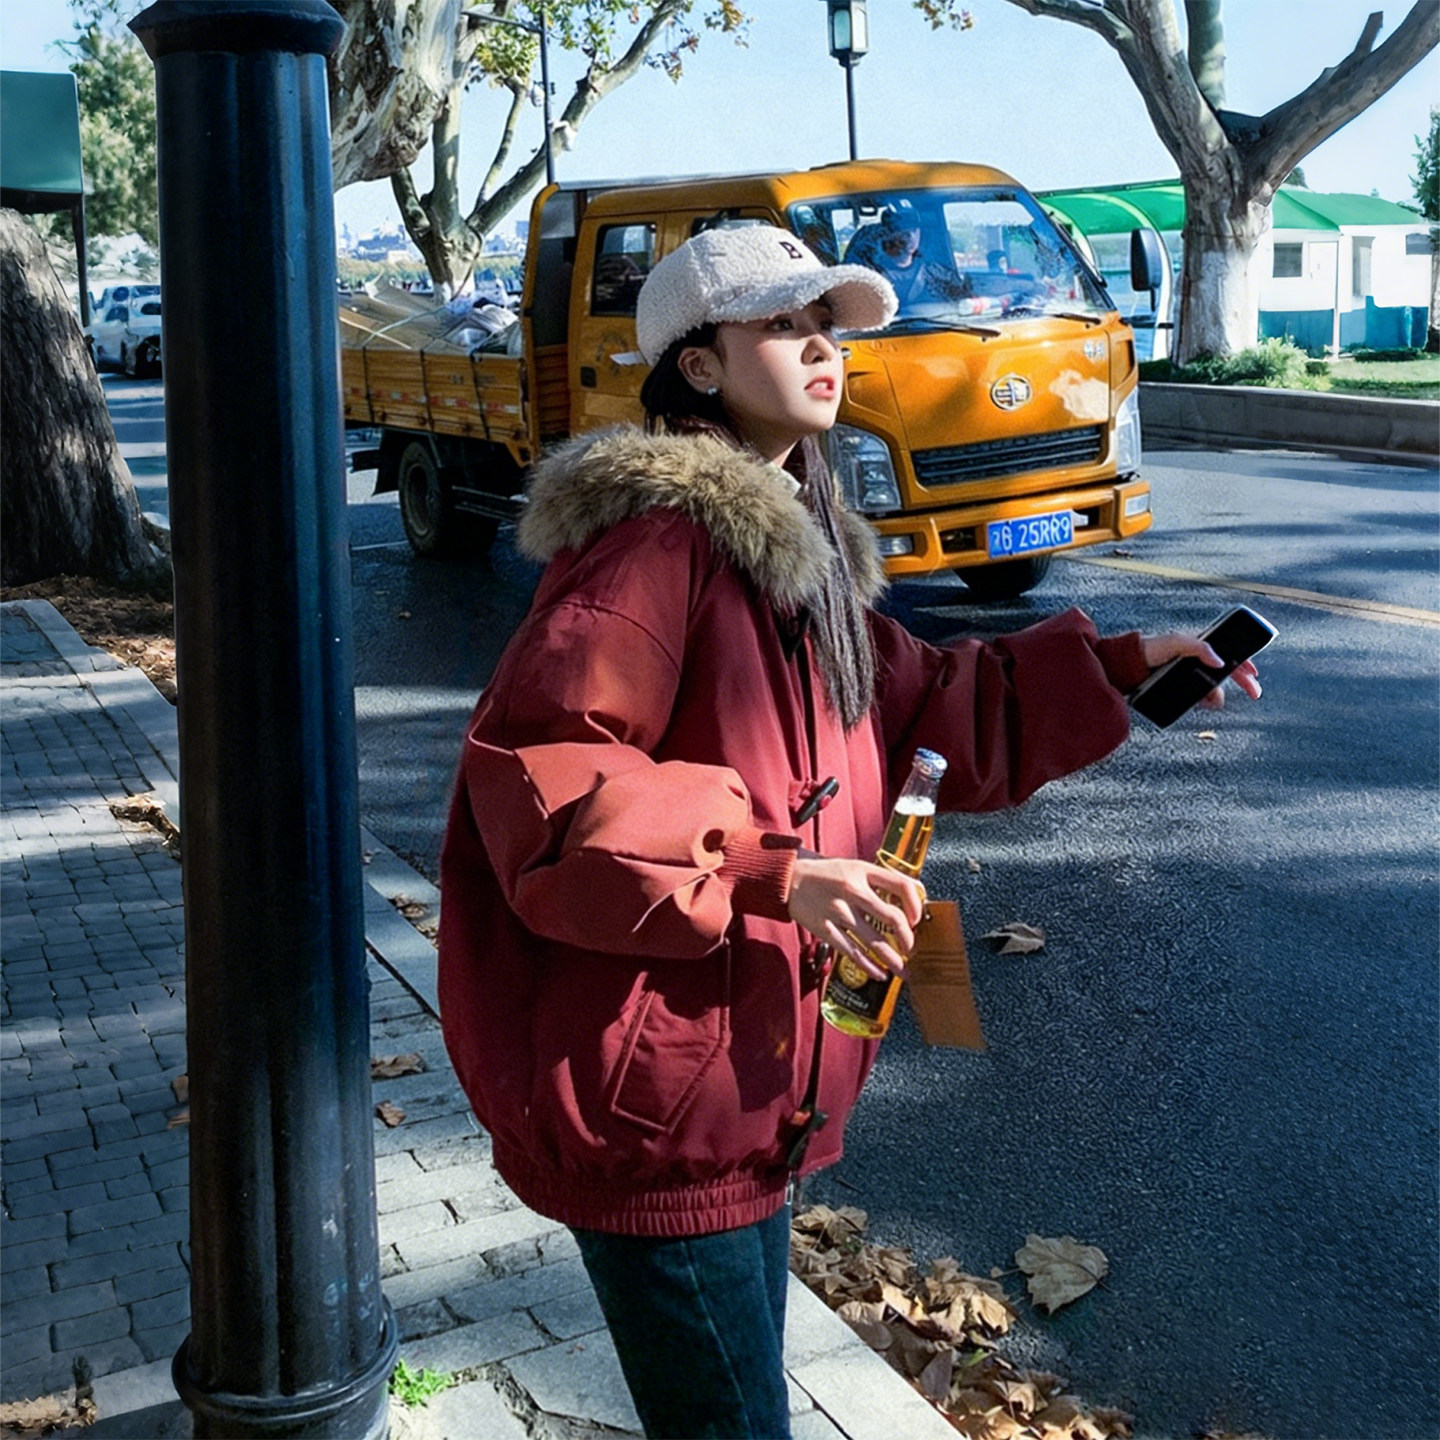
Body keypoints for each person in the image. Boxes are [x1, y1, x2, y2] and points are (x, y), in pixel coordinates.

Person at [437, 225, 1260, 1440]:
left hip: (739, 1083)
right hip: (658, 1100)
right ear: (700, 366)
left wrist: (1124, 664)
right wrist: (773, 870)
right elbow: (549, 782)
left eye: (827, 323)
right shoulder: (655, 545)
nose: (823, 347)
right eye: (783, 325)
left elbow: (926, 707)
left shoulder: (796, 549)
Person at [843, 201, 969, 309]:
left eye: (914, 230)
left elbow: (965, 306)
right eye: (902, 230)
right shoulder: (868, 277)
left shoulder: (937, 275)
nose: (911, 236)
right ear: (887, 235)